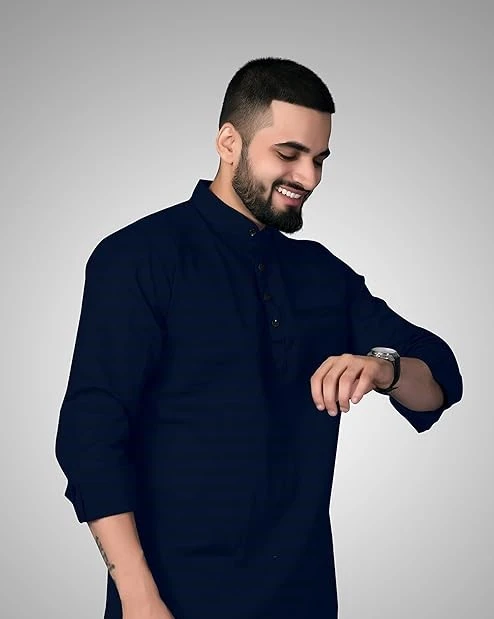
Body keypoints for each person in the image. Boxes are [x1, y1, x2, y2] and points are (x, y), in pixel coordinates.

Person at [54, 57, 463, 619]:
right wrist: (139, 598)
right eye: (288, 154)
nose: (308, 178)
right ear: (229, 143)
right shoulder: (137, 257)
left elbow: (439, 376)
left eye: (319, 159)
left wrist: (383, 368)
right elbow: (90, 438)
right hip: (170, 602)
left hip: (304, 600)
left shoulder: (322, 274)